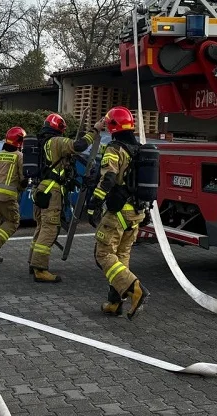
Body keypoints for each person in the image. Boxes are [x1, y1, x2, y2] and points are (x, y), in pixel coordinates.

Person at [86, 107, 149, 319]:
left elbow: (109, 178)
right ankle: (115, 302)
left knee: (103, 254)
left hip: (118, 213)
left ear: (112, 126)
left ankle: (135, 289)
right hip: (136, 214)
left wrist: (94, 203)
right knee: (121, 257)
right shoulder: (140, 149)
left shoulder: (115, 148)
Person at [28, 113, 104, 282]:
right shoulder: (56, 141)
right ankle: (40, 269)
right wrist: (95, 130)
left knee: (41, 227)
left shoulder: (42, 143)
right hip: (51, 191)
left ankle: (32, 263)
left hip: (40, 190)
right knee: (50, 228)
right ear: (59, 129)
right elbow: (79, 145)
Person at [0, 127, 28, 265]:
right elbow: (23, 179)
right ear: (19, 142)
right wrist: (22, 186)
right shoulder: (19, 156)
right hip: (7, 196)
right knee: (13, 222)